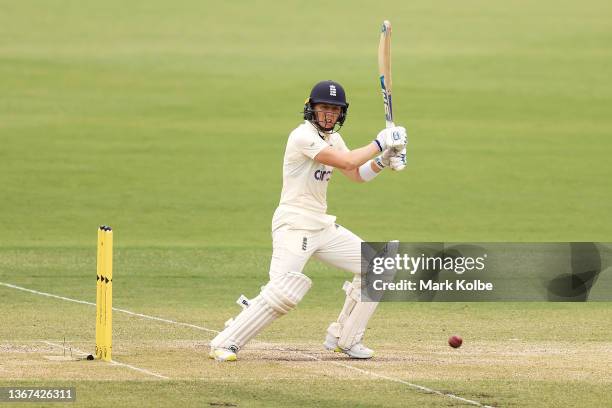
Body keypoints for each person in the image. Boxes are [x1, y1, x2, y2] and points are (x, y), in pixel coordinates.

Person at [209, 80, 407, 361]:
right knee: (283, 293)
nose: (329, 115)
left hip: (322, 226)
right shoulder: (301, 137)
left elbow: (356, 174)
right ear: (311, 109)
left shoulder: (333, 140)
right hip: (294, 225)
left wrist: (383, 160)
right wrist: (380, 143)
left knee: (379, 264)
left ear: (342, 113)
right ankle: (225, 342)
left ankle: (345, 338)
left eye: (335, 110)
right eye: (324, 108)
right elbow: (349, 162)